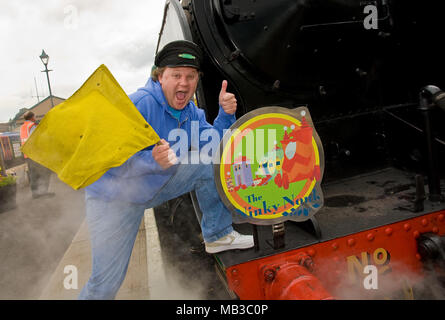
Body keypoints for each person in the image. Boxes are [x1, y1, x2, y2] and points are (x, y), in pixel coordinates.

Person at [79, 40, 254, 300]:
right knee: (105, 284)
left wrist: (225, 114)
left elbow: (217, 146)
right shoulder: (139, 104)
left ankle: (217, 234)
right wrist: (151, 161)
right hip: (114, 198)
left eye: (190, 76)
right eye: (176, 75)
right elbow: (104, 159)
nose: (183, 83)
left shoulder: (190, 110)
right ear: (160, 76)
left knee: (209, 163)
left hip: (153, 186)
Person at [20, 111, 54, 199]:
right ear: (32, 117)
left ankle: (35, 193)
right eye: (35, 116)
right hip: (36, 154)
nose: (35, 118)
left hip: (28, 154)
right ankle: (44, 192)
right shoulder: (32, 126)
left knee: (33, 174)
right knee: (45, 172)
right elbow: (37, 139)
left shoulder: (23, 127)